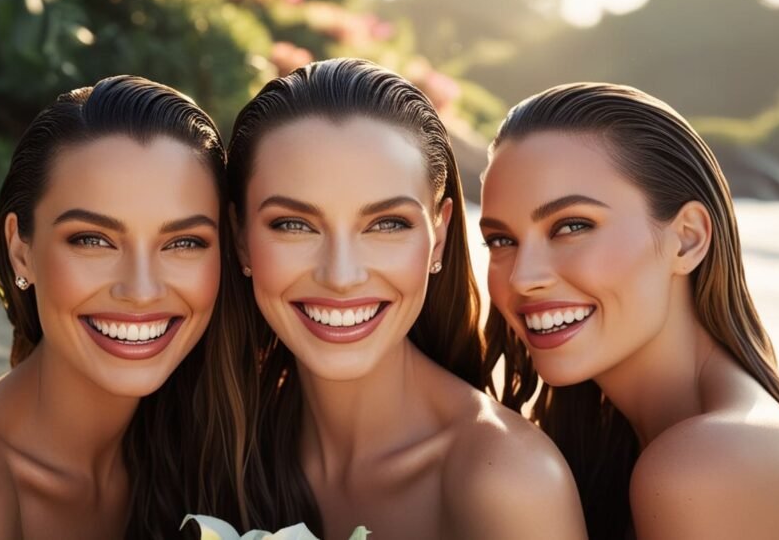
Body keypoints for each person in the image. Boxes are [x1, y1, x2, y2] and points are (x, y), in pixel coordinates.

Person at [0, 76, 248, 539]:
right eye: (93, 240)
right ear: (21, 249)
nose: (141, 290)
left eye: (183, 242)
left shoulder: (192, 447)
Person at [229, 58, 586, 539]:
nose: (341, 276)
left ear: (438, 238)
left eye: (386, 224)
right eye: (294, 225)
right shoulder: (216, 446)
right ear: (240, 238)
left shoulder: (509, 481)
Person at [480, 82, 779, 540]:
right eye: (502, 240)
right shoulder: (639, 441)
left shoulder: (704, 467)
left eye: (572, 226)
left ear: (688, 239)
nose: (523, 277)